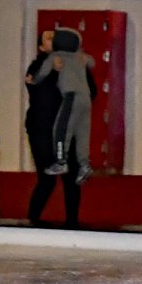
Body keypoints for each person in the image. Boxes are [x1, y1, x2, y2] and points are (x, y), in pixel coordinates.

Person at [23, 29, 81, 227]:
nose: (53, 39)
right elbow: (36, 83)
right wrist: (52, 69)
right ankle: (32, 220)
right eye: (48, 38)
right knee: (47, 178)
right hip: (41, 129)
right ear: (41, 47)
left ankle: (72, 223)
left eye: (54, 36)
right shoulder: (37, 64)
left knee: (71, 178)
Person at [41, 27, 96, 188]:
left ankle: (60, 161)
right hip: (86, 99)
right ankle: (84, 164)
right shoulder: (80, 56)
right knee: (82, 133)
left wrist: (34, 79)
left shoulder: (55, 56)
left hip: (71, 97)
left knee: (60, 129)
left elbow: (42, 74)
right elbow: (92, 62)